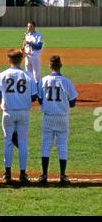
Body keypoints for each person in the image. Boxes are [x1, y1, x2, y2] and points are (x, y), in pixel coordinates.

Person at [0, 49, 38, 184]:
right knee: (23, 143)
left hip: (8, 112)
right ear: (22, 59)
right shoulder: (28, 75)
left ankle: (7, 174)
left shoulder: (2, 75)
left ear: (9, 60)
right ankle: (23, 174)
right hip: (23, 112)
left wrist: (5, 102)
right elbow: (34, 96)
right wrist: (23, 101)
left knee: (8, 142)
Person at [38, 55, 77, 185]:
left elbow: (39, 99)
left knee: (46, 145)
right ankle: (63, 175)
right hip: (62, 117)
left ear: (50, 66)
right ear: (61, 65)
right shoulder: (66, 81)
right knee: (62, 146)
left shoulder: (43, 81)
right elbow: (73, 102)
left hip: (48, 117)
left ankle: (44, 175)